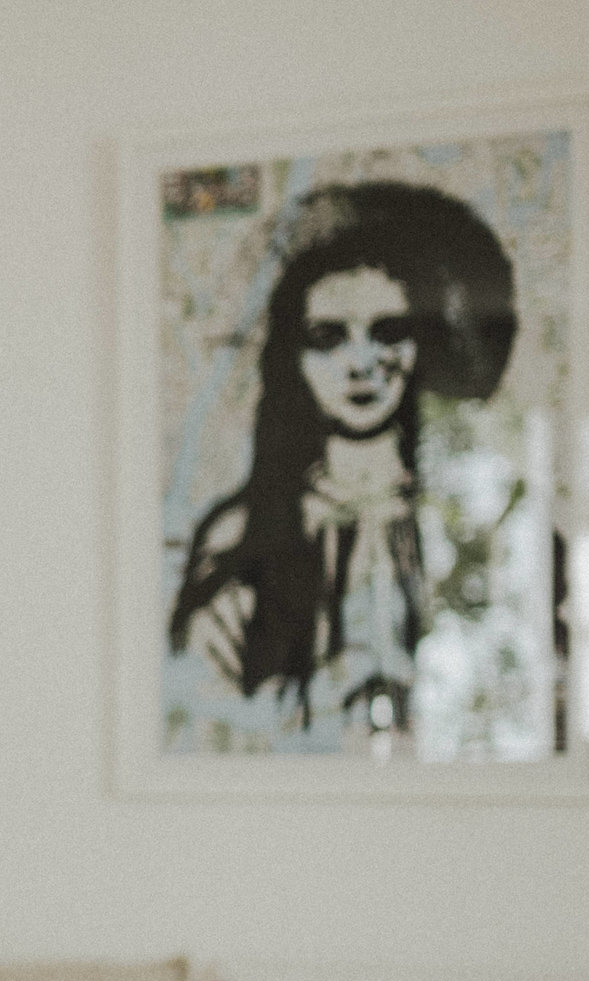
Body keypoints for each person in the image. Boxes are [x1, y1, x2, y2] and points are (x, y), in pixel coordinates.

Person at [167, 179, 518, 745]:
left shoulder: (461, 518)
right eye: (329, 337)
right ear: (294, 356)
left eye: (388, 332)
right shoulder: (239, 536)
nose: (362, 364)